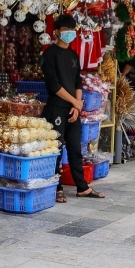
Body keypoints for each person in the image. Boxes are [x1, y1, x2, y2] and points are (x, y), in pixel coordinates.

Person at [41, 14, 104, 202]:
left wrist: (77, 106)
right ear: (57, 32)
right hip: (56, 108)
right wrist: (74, 103)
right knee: (56, 148)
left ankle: (82, 187)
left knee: (76, 148)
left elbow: (78, 81)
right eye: (66, 30)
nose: (69, 34)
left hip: (72, 109)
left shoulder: (73, 55)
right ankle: (56, 186)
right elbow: (53, 85)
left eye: (72, 30)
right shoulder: (49, 54)